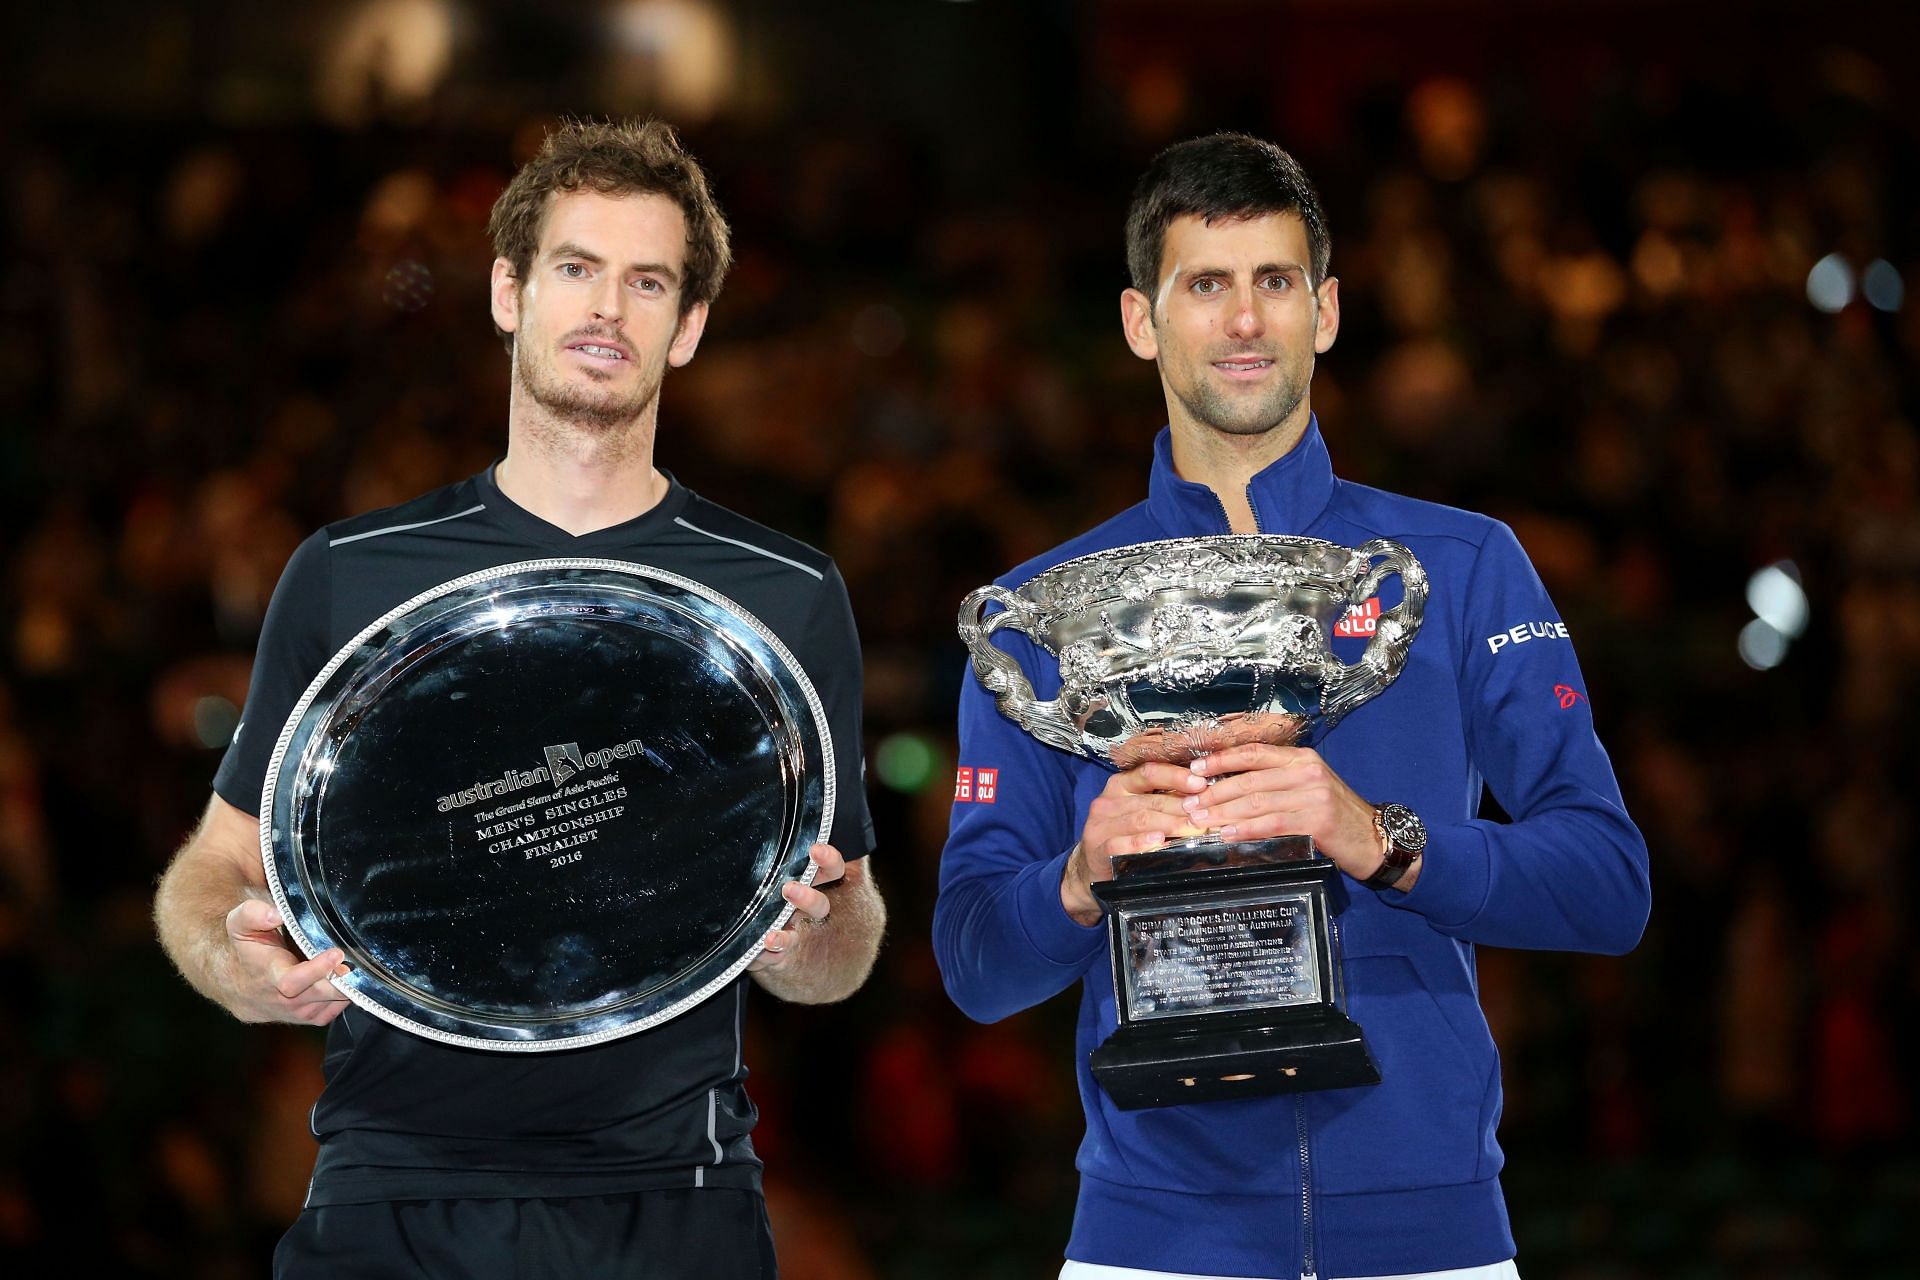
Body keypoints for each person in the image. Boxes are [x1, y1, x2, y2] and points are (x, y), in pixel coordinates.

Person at [153, 119, 886, 1280]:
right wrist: (232, 958)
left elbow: (844, 934)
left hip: (672, 1193)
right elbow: (211, 869)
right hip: (394, 1186)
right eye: (575, 268)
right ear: (508, 292)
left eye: (648, 281)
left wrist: (815, 934)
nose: (608, 308)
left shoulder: (782, 595)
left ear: (688, 326)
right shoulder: (351, 572)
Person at [934, 133, 1649, 1280]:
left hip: (1434, 1237)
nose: (1245, 320)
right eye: (1204, 285)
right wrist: (1077, 878)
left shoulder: (1457, 568)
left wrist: (1380, 839)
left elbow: (1610, 886)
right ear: (1138, 320)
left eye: (1275, 282)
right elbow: (974, 962)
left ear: (1325, 310)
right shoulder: (1048, 617)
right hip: (1152, 1241)